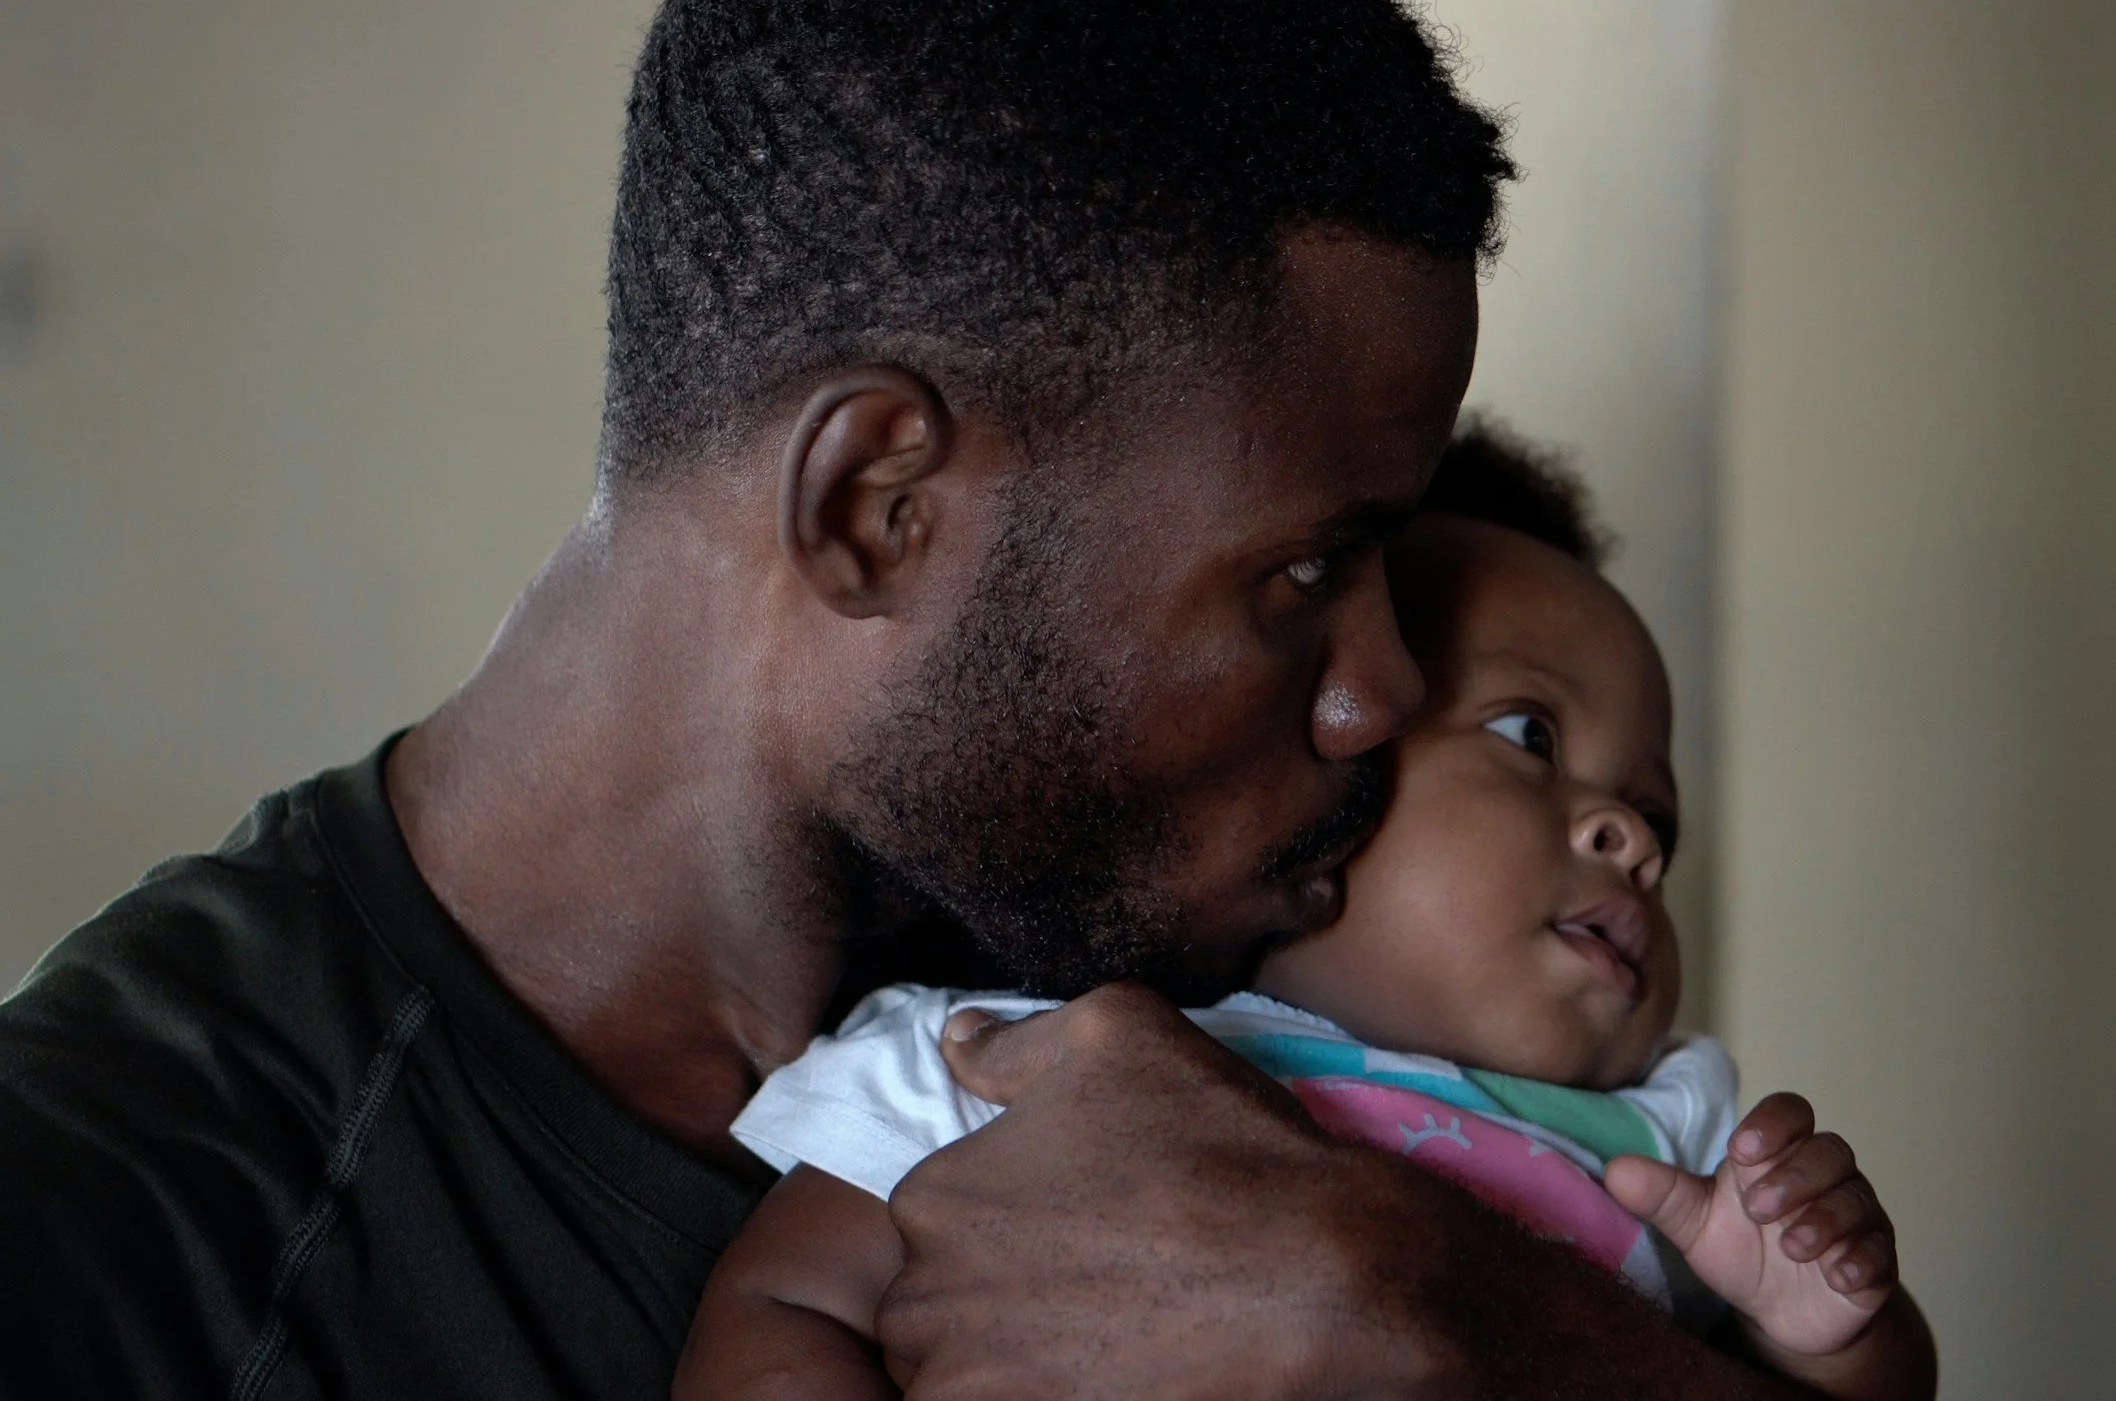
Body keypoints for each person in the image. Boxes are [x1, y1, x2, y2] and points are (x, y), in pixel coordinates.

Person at [2, 0, 1830, 1398]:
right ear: (879, 505)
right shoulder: (133, 1239)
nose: (1382, 693)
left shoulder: (1226, 948)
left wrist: (1467, 1326)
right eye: (1300, 577)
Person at [676, 426, 1939, 1401]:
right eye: (1529, 735)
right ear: (1317, 782)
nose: (1630, 840)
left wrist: (1834, 1323)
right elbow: (784, 1307)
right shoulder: (1028, 1055)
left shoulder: (1680, 1135)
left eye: (1653, 816)